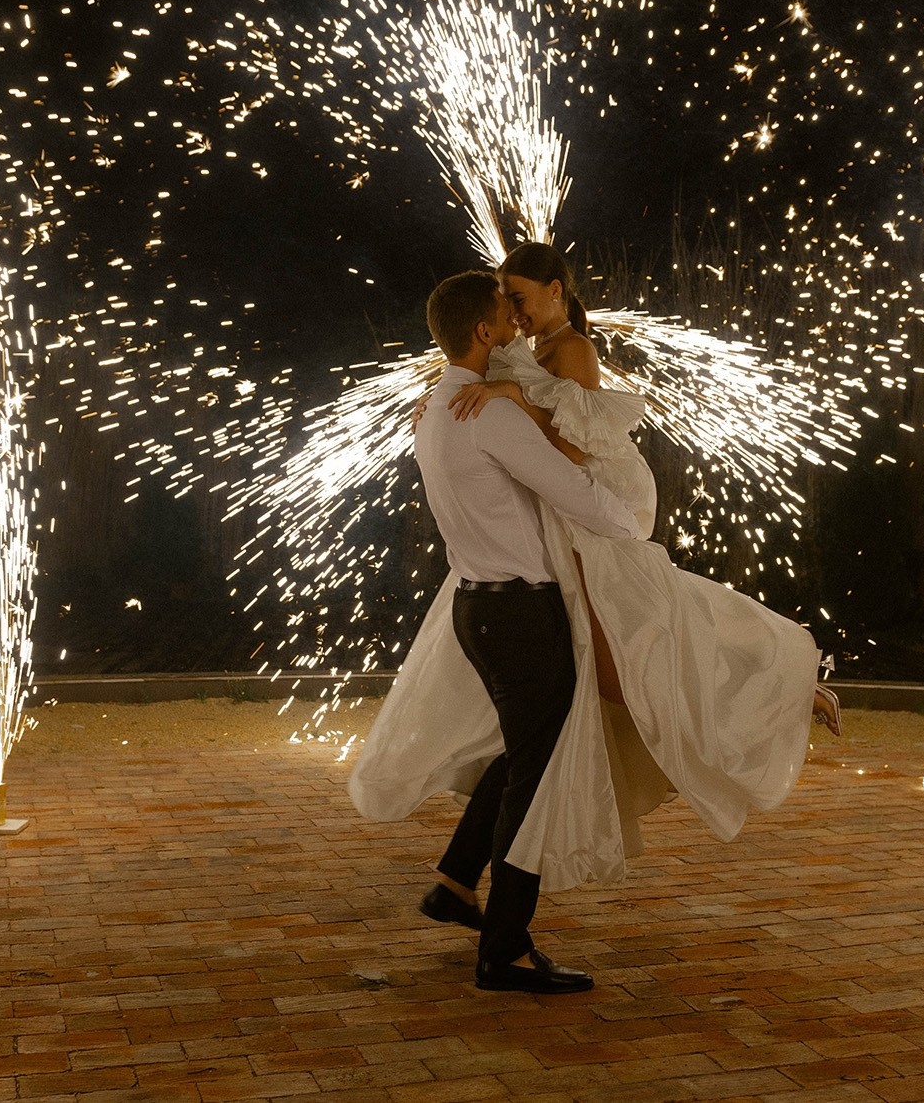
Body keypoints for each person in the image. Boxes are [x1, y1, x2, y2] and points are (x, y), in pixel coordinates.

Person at [351, 243, 835, 920]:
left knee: (643, 652)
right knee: (566, 717)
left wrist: (510, 399)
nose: (513, 312)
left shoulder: (565, 352)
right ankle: (473, 896)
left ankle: (785, 686)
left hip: (586, 525)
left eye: (520, 296)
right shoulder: (491, 372)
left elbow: (575, 451)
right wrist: (465, 400)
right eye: (504, 301)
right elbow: (478, 390)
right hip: (556, 540)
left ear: (554, 291)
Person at [393, 269, 644, 994]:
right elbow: (573, 490)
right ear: (482, 332)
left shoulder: (437, 409)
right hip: (519, 612)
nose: (513, 316)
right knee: (537, 775)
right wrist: (635, 532)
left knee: (529, 748)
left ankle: (455, 882)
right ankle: (502, 949)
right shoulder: (489, 414)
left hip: (478, 605)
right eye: (503, 310)